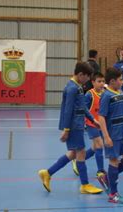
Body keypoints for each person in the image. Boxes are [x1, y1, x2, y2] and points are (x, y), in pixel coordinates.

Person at [38, 62, 103, 195]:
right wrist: (66, 129)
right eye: (86, 77)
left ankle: (48, 173)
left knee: (74, 153)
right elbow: (68, 110)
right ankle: (85, 185)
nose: (87, 81)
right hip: (74, 126)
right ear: (80, 75)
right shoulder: (72, 88)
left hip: (78, 124)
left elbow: (82, 107)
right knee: (80, 153)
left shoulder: (77, 86)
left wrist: (93, 120)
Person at [98, 67, 123, 204]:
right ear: (112, 81)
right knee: (113, 161)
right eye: (120, 80)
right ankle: (113, 194)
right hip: (113, 134)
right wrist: (106, 137)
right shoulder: (106, 96)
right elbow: (101, 117)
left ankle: (107, 178)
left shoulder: (121, 92)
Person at [72, 72, 108, 191]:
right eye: (99, 81)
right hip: (91, 124)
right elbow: (84, 109)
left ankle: (78, 160)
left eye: (103, 81)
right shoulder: (89, 95)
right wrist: (85, 122)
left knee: (94, 148)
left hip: (101, 124)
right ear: (93, 82)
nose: (102, 83)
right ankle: (100, 171)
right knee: (99, 146)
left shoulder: (105, 94)